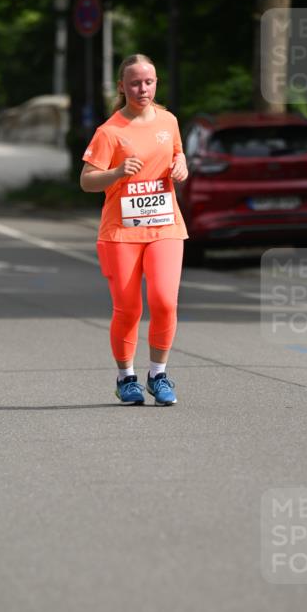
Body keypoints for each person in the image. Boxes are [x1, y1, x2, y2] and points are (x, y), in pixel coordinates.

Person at [80, 53, 189, 405]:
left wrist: (181, 166)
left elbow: (177, 153)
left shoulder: (169, 121)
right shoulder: (109, 131)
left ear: (156, 83)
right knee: (128, 308)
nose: (143, 88)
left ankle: (158, 375)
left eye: (149, 81)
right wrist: (115, 173)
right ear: (122, 87)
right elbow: (86, 181)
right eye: (135, 83)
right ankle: (125, 378)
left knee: (164, 302)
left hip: (165, 225)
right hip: (121, 232)